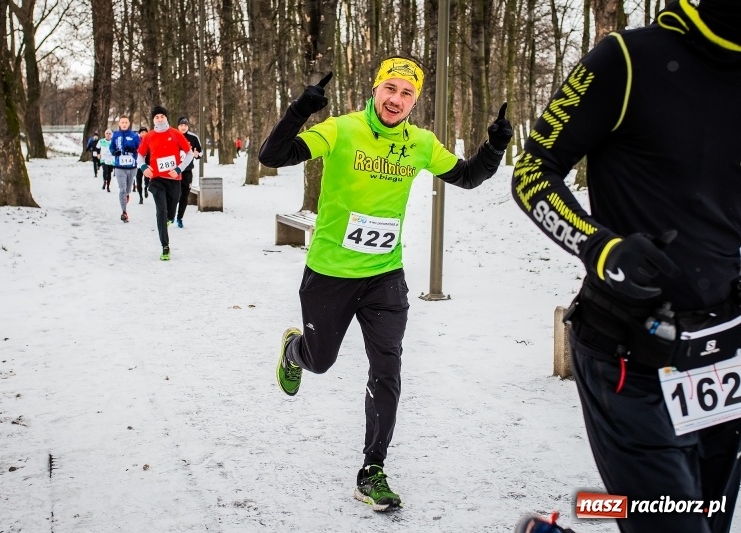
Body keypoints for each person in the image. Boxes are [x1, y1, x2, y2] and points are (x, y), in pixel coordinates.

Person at [511, 1, 741, 532]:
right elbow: (532, 169)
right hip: (628, 354)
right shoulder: (627, 59)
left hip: (723, 358)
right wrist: (600, 247)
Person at [258, 56, 512, 512]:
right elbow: (271, 156)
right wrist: (301, 110)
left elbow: (469, 177)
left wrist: (494, 148)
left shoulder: (420, 143)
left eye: (407, 93)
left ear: (415, 100)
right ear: (375, 89)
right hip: (329, 274)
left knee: (387, 369)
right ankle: (295, 351)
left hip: (384, 277)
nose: (397, 99)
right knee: (321, 363)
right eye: (390, 88)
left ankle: (372, 469)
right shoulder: (342, 129)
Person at [137, 105, 194, 261]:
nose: (160, 119)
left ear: (166, 118)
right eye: (157, 117)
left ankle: (170, 219)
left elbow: (189, 153)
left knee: (170, 214)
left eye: (162, 116)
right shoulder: (148, 136)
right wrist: (143, 167)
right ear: (153, 119)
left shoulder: (175, 133)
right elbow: (140, 156)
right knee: (160, 212)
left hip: (174, 180)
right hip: (156, 180)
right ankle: (165, 246)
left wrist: (179, 169)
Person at [109, 116, 142, 223]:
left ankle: (127, 195)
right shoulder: (115, 135)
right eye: (122, 122)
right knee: (122, 189)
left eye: (126, 122)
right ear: (119, 124)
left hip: (132, 167)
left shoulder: (134, 136)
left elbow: (140, 149)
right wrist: (114, 153)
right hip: (119, 167)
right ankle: (124, 212)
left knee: (128, 189)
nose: (124, 124)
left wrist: (133, 150)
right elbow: (112, 148)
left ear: (128, 124)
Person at [174, 116, 203, 228]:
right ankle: (170, 215)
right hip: (174, 171)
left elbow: (200, 152)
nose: (183, 127)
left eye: (185, 125)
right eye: (181, 125)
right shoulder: (173, 136)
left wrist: (197, 155)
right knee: (174, 194)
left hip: (187, 171)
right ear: (178, 126)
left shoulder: (193, 137)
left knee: (184, 195)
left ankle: (180, 217)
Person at [135, 126, 148, 204]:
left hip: (147, 164)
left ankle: (146, 188)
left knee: (147, 180)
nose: (143, 134)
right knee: (138, 181)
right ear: (139, 134)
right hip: (139, 164)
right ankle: (140, 197)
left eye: (144, 132)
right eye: (142, 132)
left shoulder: (150, 139)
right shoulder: (137, 141)